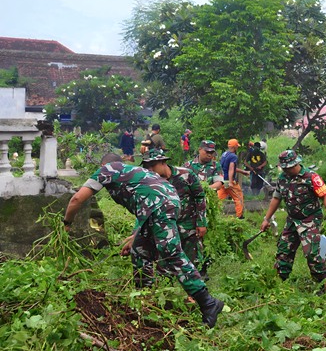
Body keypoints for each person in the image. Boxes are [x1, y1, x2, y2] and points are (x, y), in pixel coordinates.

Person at [62, 153, 224, 327]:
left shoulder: (106, 170)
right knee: (140, 251)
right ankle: (145, 301)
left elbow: (77, 199)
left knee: (171, 252)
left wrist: (66, 224)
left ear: (103, 164)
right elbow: (146, 201)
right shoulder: (133, 172)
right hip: (163, 203)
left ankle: (208, 302)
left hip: (161, 205)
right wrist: (135, 236)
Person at [260, 150, 326, 286]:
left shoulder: (311, 177)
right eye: (284, 168)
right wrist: (266, 219)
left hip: (310, 219)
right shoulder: (283, 178)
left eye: (288, 168)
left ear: (296, 164)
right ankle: (278, 283)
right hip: (292, 220)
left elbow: (325, 197)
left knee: (312, 254)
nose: (286, 170)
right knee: (283, 251)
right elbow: (276, 198)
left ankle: (324, 284)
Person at [142, 149, 209, 278]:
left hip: (189, 226)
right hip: (166, 229)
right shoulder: (151, 182)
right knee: (164, 266)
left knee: (193, 260)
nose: (149, 170)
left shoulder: (185, 175)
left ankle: (196, 291)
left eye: (152, 166)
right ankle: (167, 290)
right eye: (146, 167)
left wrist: (201, 222)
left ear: (163, 162)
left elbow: (199, 197)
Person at [218, 139, 248, 219]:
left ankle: (214, 214)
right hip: (229, 181)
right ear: (235, 147)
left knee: (218, 199)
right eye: (237, 146)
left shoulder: (224, 154)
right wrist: (231, 182)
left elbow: (226, 168)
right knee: (238, 197)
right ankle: (240, 216)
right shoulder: (233, 156)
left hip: (222, 180)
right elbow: (231, 168)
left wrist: (242, 172)